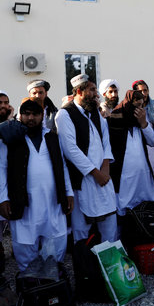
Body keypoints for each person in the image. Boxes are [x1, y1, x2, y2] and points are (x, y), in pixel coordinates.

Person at [0, 97, 74, 271]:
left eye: (35, 114)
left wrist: (69, 193)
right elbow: (0, 169)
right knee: (24, 244)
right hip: (23, 202)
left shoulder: (52, 137)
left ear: (42, 115)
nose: (31, 118)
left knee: (55, 242)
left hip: (52, 202)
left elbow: (62, 166)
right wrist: (2, 199)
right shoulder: (11, 138)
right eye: (26, 114)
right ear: (20, 116)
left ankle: (52, 282)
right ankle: (30, 285)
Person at [56, 74, 117, 243]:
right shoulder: (64, 114)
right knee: (81, 229)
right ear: (80, 92)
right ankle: (85, 267)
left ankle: (109, 267)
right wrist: (95, 173)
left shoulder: (96, 113)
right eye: (92, 90)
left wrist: (105, 168)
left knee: (110, 226)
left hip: (103, 178)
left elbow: (106, 142)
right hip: (82, 181)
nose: (97, 94)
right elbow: (71, 150)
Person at [108, 90, 154, 216]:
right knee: (123, 211)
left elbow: (152, 141)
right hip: (123, 175)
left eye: (142, 106)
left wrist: (143, 123)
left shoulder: (140, 120)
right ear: (128, 104)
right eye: (137, 106)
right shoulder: (113, 119)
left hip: (143, 175)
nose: (140, 110)